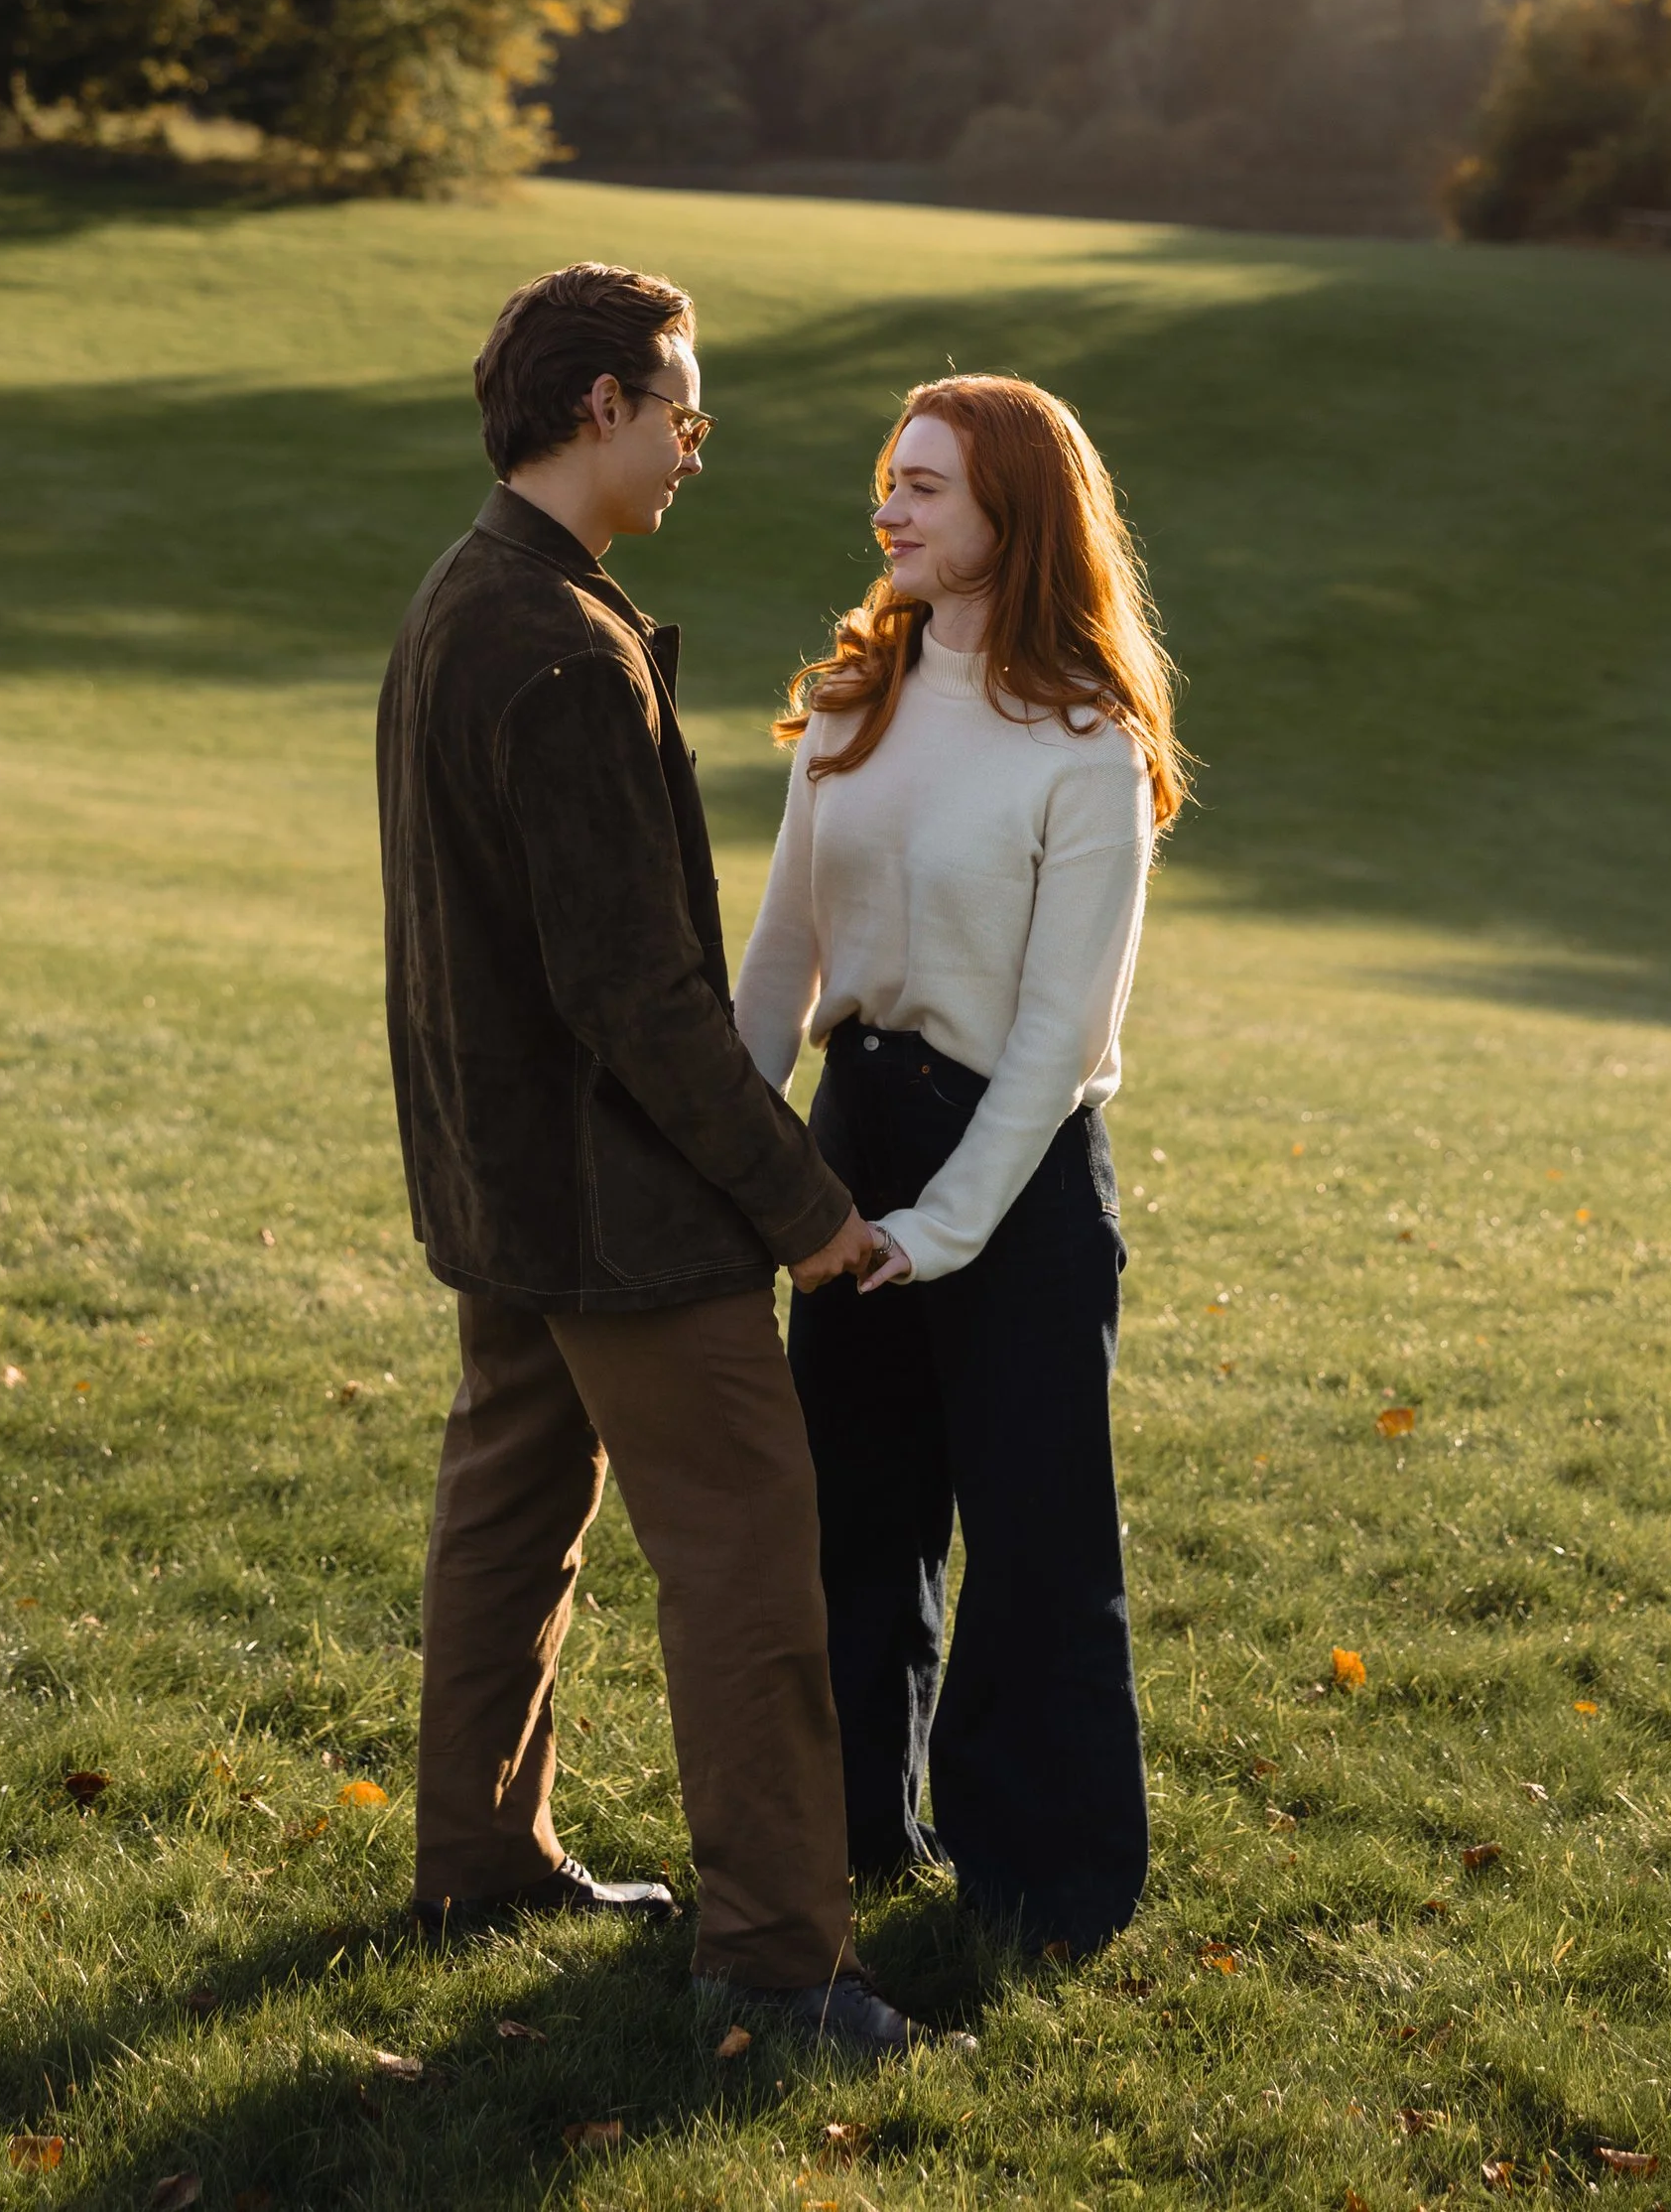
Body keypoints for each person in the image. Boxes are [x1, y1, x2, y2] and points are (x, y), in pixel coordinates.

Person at [378, 262, 917, 2059]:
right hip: (616, 1214)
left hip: (503, 1186)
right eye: (684, 405)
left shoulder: (469, 595)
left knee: (511, 1510)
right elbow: (640, 998)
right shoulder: (550, 647)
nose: (700, 440)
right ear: (598, 403)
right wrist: (809, 1207)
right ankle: (778, 1960)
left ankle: (479, 1859)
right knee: (753, 1552)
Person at [732, 373, 1186, 1956]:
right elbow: (783, 958)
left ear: (1017, 512)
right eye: (887, 480)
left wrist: (944, 1227)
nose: (891, 509)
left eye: (925, 485)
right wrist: (748, 1164)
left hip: (1020, 1174)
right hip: (847, 1152)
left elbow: (1061, 1036)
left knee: (1038, 1540)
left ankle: (1042, 1890)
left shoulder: (1089, 748)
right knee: (853, 1524)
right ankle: (854, 1835)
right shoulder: (853, 701)